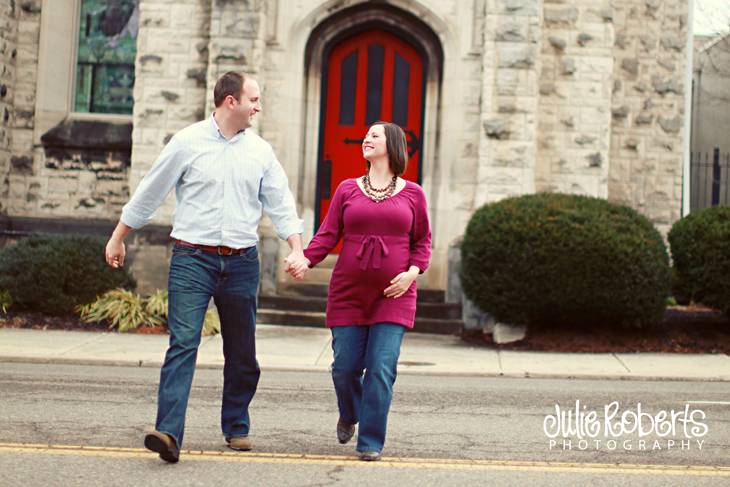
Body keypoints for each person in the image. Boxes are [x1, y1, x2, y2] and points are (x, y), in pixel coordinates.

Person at [104, 71, 309, 463]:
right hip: (191, 259)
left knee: (242, 350)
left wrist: (296, 248)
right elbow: (151, 189)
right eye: (254, 99)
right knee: (183, 343)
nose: (258, 107)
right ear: (230, 101)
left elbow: (281, 203)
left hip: (242, 262)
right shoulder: (186, 142)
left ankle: (236, 424)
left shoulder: (260, 152)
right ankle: (168, 432)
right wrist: (118, 236)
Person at [286, 121, 432, 461]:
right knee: (345, 367)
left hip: (394, 295)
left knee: (381, 368)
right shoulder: (347, 189)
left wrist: (411, 274)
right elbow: (327, 233)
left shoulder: (413, 194)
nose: (366, 138)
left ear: (392, 145)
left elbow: (422, 241)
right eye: (365, 134)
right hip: (349, 292)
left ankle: (370, 441)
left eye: (374, 135)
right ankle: (350, 412)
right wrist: (305, 259)